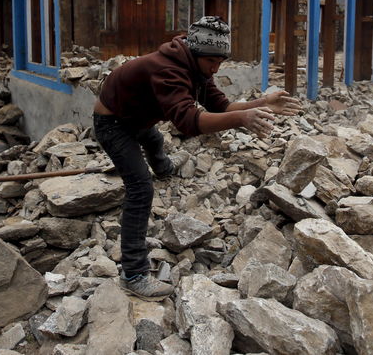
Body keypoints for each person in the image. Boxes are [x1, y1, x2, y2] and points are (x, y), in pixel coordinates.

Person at [93, 16, 301, 300]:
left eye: (220, 62)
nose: (215, 69)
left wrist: (262, 103)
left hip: (137, 118)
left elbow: (222, 105)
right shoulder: (167, 69)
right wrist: (242, 119)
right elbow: (189, 122)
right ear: (196, 53)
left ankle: (164, 167)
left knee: (153, 140)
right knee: (141, 188)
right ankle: (134, 274)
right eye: (212, 62)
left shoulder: (198, 66)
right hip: (113, 124)